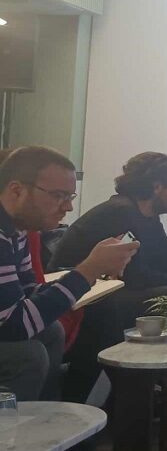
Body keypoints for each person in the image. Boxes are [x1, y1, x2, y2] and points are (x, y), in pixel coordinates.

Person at [49, 152, 167, 402]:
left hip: (109, 290)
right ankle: (165, 380)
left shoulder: (146, 215)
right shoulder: (120, 212)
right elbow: (137, 277)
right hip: (83, 297)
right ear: (157, 186)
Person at [0, 146, 137, 401]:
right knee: (27, 356)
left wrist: (89, 273)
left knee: (52, 331)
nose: (69, 207)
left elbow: (28, 294)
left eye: (70, 196)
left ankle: (45, 416)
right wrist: (88, 270)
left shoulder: (16, 230)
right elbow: (13, 325)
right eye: (58, 196)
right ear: (16, 190)